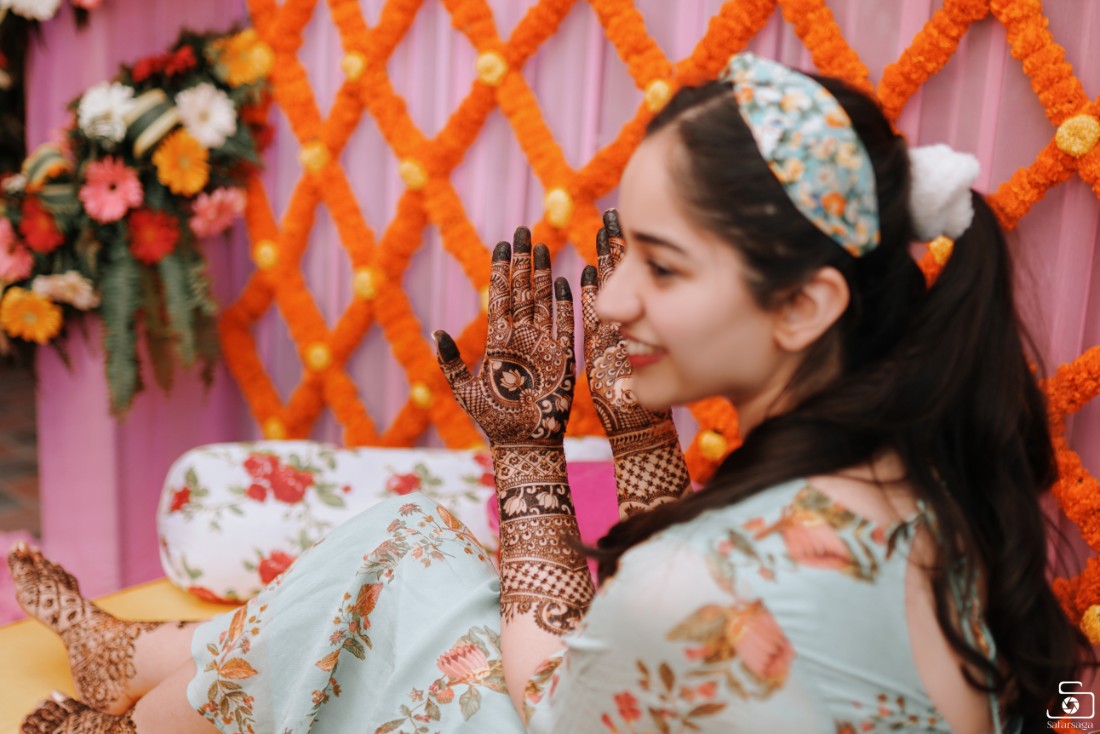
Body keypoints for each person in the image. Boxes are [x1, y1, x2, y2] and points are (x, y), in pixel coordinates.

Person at [7, 51, 1091, 734]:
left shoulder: (690, 586)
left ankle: (146, 706)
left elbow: (546, 686)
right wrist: (627, 432)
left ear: (804, 304)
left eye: (659, 267)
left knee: (409, 592)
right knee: (425, 538)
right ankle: (150, 671)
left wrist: (530, 455)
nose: (607, 296)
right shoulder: (932, 476)